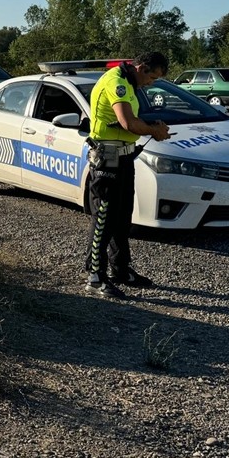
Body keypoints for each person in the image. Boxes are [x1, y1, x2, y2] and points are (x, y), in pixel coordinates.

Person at [83, 52, 172, 298]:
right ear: (141, 68)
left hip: (124, 157)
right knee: (103, 217)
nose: (151, 83)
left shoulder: (130, 83)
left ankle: (120, 269)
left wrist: (152, 125)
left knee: (122, 216)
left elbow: (132, 121)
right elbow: (128, 123)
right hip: (107, 158)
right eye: (152, 77)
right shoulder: (117, 82)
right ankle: (95, 276)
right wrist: (154, 131)